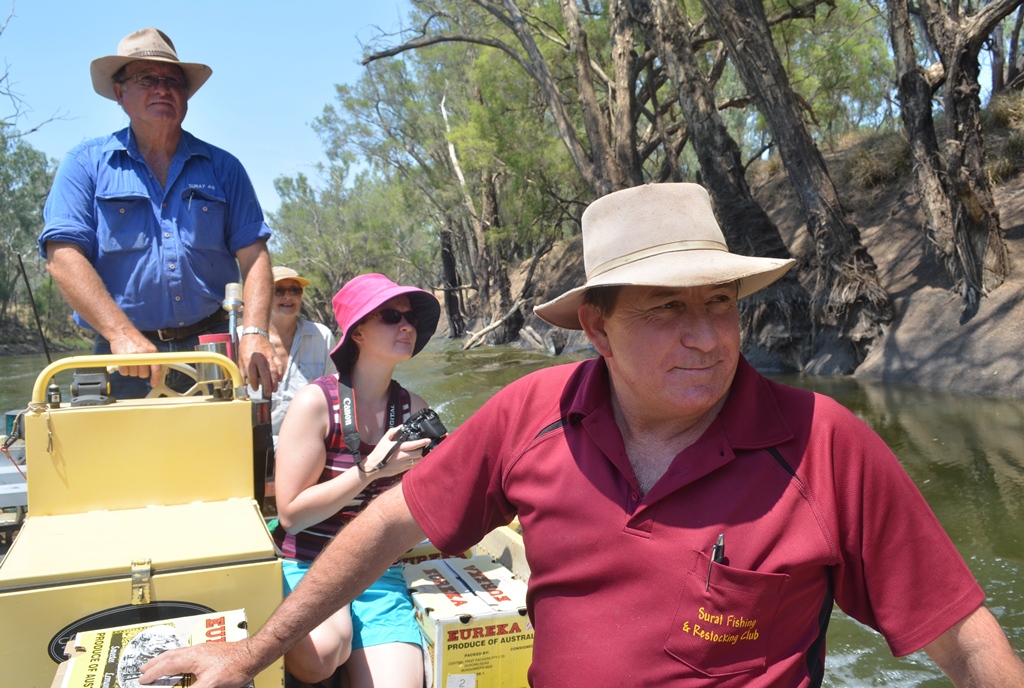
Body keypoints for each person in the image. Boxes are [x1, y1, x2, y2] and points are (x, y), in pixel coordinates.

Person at [142, 184, 1024, 688]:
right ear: (596, 331)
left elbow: (961, 634)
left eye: (720, 303)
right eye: (667, 309)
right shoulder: (530, 415)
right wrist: (254, 653)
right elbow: (386, 526)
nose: (707, 335)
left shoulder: (825, 444)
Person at [38, 28, 277, 398]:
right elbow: (63, 256)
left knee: (218, 454)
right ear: (120, 93)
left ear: (186, 95)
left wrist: (255, 332)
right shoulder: (84, 164)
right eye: (146, 79)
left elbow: (255, 255)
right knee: (122, 456)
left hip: (211, 352)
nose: (162, 89)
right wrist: (121, 334)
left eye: (173, 81)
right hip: (120, 356)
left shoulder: (224, 167)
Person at [269, 273, 440, 687]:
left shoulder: (412, 407)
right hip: (308, 560)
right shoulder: (316, 403)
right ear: (358, 332)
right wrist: (371, 470)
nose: (406, 325)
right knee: (322, 655)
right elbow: (291, 515)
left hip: (375, 567)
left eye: (410, 318)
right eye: (390, 316)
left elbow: (427, 500)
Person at [258, 266, 336, 440]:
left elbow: (335, 393)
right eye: (278, 291)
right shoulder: (243, 339)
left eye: (295, 290)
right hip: (253, 442)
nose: (288, 296)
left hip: (308, 442)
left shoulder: (322, 336)